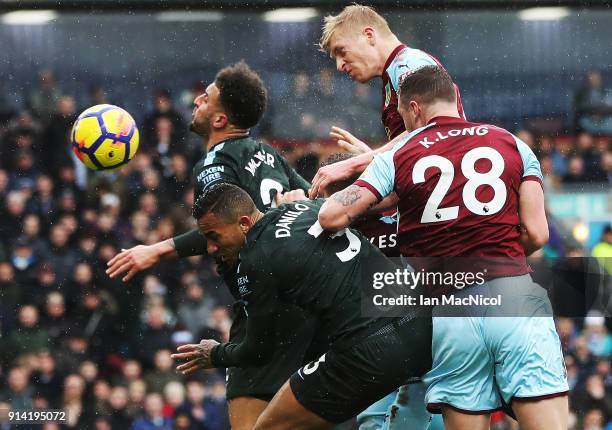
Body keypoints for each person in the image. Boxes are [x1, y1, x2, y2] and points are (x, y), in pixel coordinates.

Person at [318, 65, 569, 430]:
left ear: (415, 109)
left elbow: (331, 216)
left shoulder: (398, 154)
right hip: (515, 298)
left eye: (403, 116)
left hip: (452, 311)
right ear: (453, 98)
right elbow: (536, 233)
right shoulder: (511, 143)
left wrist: (357, 176)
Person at [106, 62, 313, 430]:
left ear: (220, 120)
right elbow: (312, 198)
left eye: (208, 97)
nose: (198, 99)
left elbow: (221, 230)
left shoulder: (215, 163)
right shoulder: (271, 155)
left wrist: (153, 250)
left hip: (264, 305)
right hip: (304, 306)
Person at [171, 183, 432, 429]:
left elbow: (258, 351)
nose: (210, 247)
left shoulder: (255, 259)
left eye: (213, 236)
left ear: (243, 223)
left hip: (367, 349)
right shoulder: (307, 207)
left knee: (267, 427)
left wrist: (215, 354)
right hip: (419, 325)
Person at [310, 4, 464, 198]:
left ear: (369, 35)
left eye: (341, 51)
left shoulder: (409, 65)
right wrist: (373, 156)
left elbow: (433, 133)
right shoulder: (394, 73)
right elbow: (417, 146)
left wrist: (354, 164)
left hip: (443, 206)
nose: (339, 65)